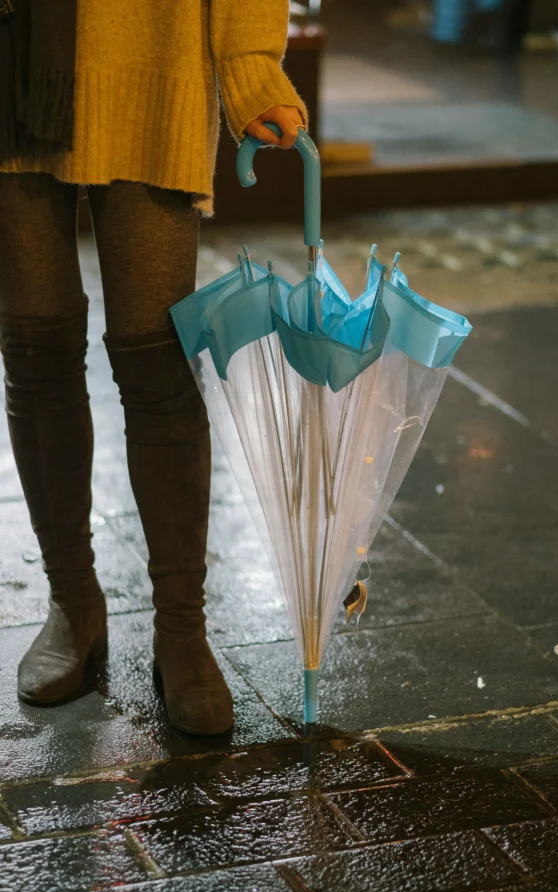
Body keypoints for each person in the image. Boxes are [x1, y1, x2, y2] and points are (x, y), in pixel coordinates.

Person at [0, 2, 307, 735]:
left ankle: (180, 628)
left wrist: (248, 62)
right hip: (12, 63)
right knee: (34, 350)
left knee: (156, 358)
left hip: (151, 57)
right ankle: (73, 601)